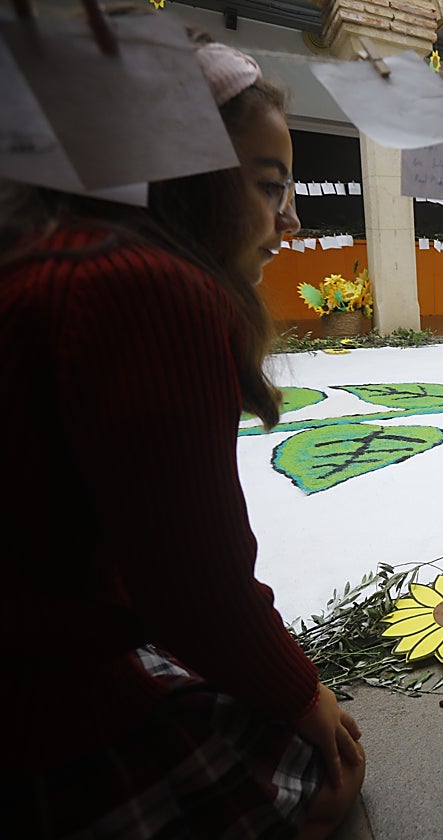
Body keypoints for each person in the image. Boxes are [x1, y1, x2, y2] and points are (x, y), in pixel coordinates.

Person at [0, 28, 365, 839]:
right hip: (35, 707)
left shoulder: (49, 255)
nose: (293, 222)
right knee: (320, 771)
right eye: (271, 187)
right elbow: (195, 581)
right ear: (192, 180)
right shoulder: (145, 291)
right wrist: (305, 696)